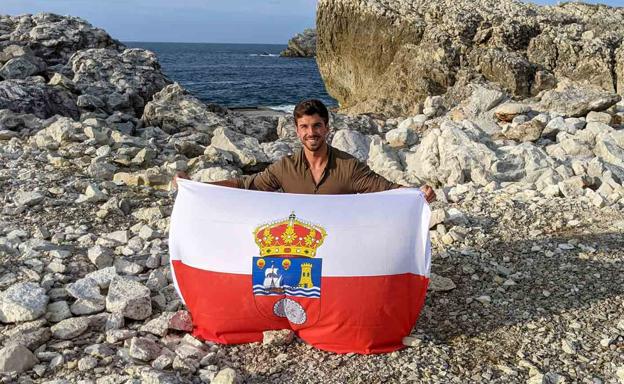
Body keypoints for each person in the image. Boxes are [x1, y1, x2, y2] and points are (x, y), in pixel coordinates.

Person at [173, 99, 436, 202]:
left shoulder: (348, 166)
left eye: (317, 126)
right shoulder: (285, 167)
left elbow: (386, 189)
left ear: (327, 128)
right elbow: (246, 185)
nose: (312, 133)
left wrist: (417, 194)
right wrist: (197, 187)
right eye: (305, 127)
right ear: (297, 131)